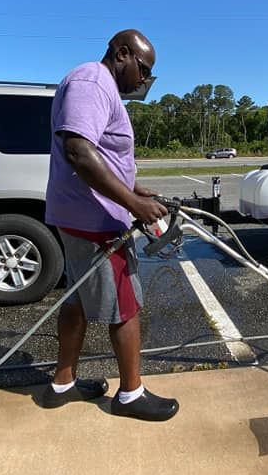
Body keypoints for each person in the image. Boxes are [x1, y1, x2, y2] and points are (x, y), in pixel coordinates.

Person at [42, 29, 179, 421]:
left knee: (78, 300)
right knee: (125, 305)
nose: (145, 80)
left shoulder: (93, 85)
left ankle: (61, 384)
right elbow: (78, 150)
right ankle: (131, 394)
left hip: (81, 214)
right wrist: (132, 203)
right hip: (96, 220)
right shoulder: (93, 82)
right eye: (144, 69)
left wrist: (136, 188)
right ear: (123, 54)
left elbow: (101, 154)